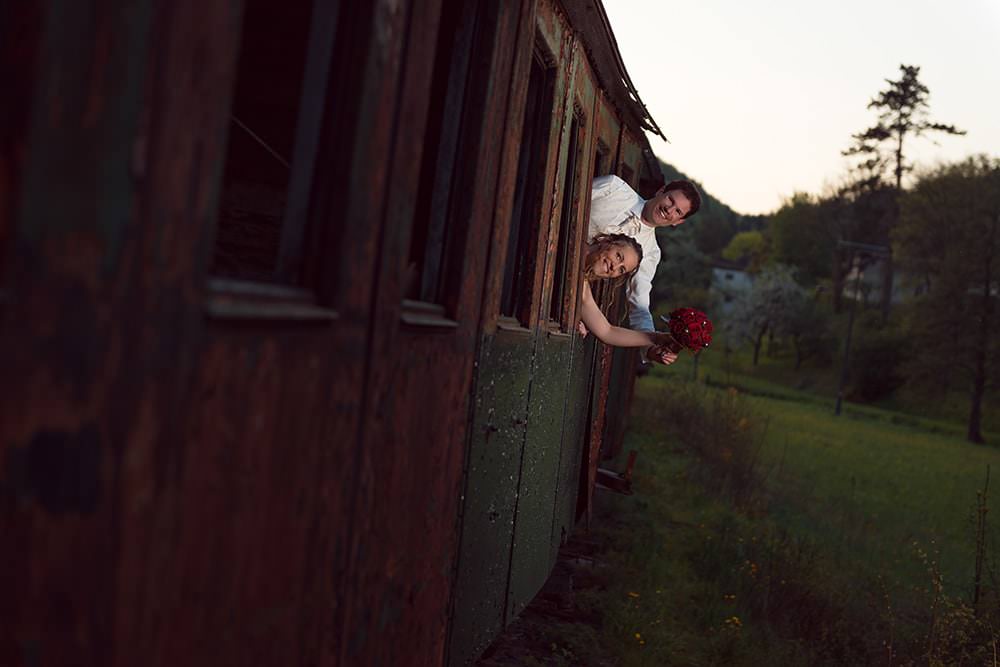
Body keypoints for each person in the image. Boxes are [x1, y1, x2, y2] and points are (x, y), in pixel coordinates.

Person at [588, 175, 702, 363]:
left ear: (678, 221)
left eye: (677, 211)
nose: (669, 209)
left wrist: (651, 348)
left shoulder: (650, 253)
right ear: (660, 192)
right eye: (670, 200)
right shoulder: (614, 187)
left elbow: (639, 305)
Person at [577, 234, 676, 350]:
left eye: (621, 269)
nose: (615, 267)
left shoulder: (583, 291)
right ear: (605, 241)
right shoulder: (572, 237)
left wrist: (655, 338)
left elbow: (607, 332)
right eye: (618, 256)